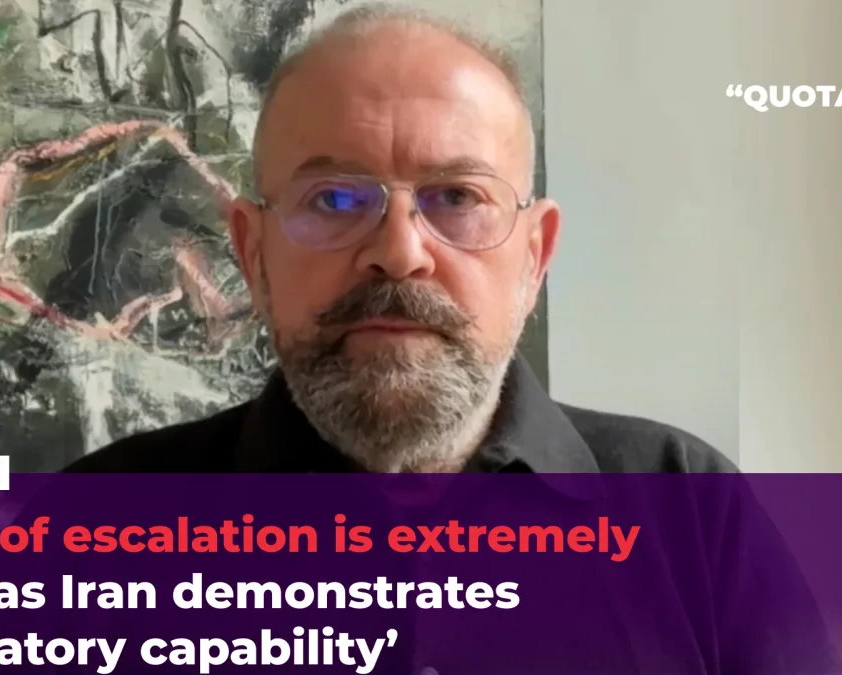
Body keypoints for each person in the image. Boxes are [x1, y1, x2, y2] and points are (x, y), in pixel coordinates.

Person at [64, 4, 734, 476]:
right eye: (333, 199)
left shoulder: (694, 510)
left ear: (535, 257)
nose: (400, 252)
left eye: (458, 197)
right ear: (253, 251)